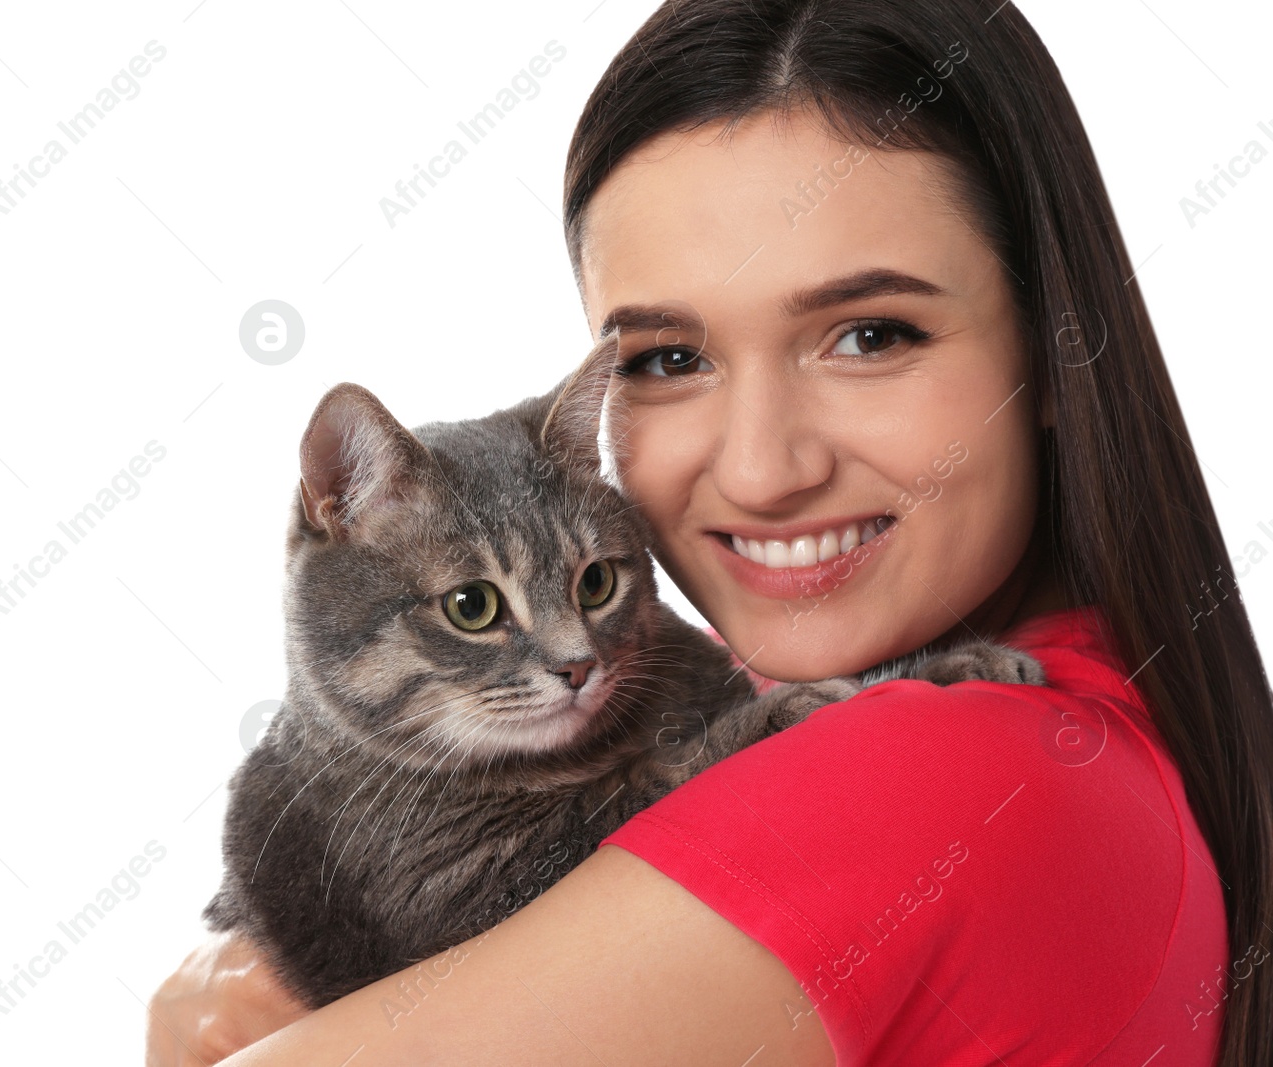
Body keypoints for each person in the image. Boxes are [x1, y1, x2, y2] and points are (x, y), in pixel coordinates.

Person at [146, 1, 1273, 1062]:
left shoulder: (950, 769)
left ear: (1052, 347)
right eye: (667, 361)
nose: (762, 467)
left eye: (870, 334)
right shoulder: (1097, 725)